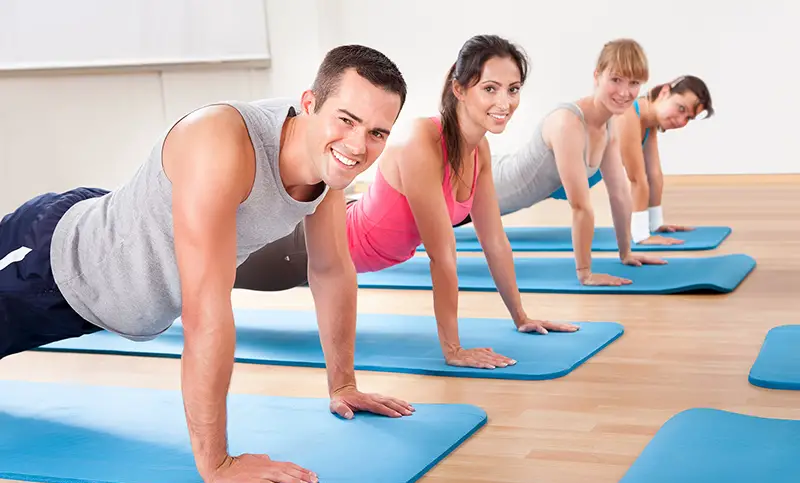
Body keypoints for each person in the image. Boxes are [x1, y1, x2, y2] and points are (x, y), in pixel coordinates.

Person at [0, 44, 415, 483]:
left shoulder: (326, 159)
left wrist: (344, 384)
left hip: (94, 262)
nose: (358, 145)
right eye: (347, 120)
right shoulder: (221, 143)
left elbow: (332, 270)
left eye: (377, 132)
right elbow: (205, 314)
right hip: (56, 267)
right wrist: (217, 463)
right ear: (310, 103)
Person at [235, 34, 580, 371]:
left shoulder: (480, 151)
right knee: (211, 274)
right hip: (303, 249)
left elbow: (494, 241)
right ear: (459, 89)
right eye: (490, 88)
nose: (504, 102)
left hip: (346, 232)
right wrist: (453, 349)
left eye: (513, 89)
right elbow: (441, 256)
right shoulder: (422, 142)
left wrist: (521, 317)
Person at [481, 38, 671, 286]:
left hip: (492, 194)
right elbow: (580, 206)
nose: (625, 92)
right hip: (479, 185)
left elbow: (619, 193)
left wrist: (626, 253)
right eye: (616, 80)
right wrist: (585, 273)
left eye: (634, 83)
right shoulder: (568, 123)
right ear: (597, 76)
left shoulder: (609, 124)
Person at [618, 75, 714, 235]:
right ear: (664, 92)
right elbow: (637, 179)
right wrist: (641, 234)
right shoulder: (628, 114)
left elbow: (654, 175)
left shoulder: (648, 123)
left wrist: (655, 224)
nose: (681, 120)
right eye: (681, 108)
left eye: (688, 118)